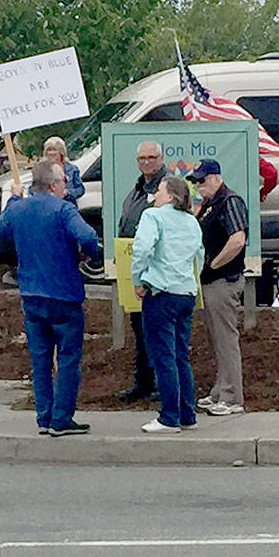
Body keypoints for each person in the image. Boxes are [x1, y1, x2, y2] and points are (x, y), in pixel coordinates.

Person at [0, 159, 100, 436]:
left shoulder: (18, 209)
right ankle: (61, 418)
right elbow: (87, 235)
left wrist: (14, 199)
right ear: (54, 184)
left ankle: (44, 416)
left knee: (39, 359)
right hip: (63, 293)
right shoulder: (64, 210)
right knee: (67, 357)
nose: (66, 184)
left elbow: (1, 234)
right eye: (64, 180)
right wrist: (86, 255)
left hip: (31, 293)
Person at [131, 175, 204, 433]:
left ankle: (169, 416)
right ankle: (187, 413)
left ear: (171, 195)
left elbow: (142, 249)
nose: (155, 194)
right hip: (185, 291)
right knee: (180, 354)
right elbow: (200, 255)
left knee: (163, 356)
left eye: (160, 190)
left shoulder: (153, 216)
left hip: (161, 291)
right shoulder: (192, 221)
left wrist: (137, 278)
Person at [189, 159, 249, 416]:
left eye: (202, 180)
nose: (198, 186)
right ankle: (220, 390)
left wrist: (213, 264)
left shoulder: (230, 201)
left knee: (225, 340)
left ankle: (232, 397)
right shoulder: (209, 205)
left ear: (216, 177)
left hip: (223, 281)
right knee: (216, 340)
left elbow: (237, 240)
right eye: (195, 182)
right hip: (211, 283)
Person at [115, 139, 171, 403]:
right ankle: (143, 383)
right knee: (139, 329)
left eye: (152, 157)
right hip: (135, 268)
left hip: (159, 272)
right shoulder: (137, 189)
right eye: (142, 159)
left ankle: (163, 384)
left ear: (161, 158)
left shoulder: (169, 187)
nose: (147, 162)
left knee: (159, 330)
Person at [42, 136, 84, 203]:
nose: (51, 153)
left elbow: (80, 189)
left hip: (69, 207)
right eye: (49, 150)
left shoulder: (73, 169)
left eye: (54, 150)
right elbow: (32, 191)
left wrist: (66, 193)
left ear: (61, 152)